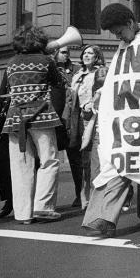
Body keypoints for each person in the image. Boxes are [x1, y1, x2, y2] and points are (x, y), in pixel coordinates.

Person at [81, 4, 140, 235]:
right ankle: (102, 217)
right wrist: (101, 93)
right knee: (119, 160)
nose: (118, 37)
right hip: (129, 113)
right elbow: (116, 75)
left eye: (119, 32)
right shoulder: (124, 46)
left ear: (131, 24)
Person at [0, 25, 65, 224]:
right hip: (42, 117)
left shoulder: (11, 63)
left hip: (15, 120)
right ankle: (43, 207)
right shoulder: (46, 61)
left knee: (20, 167)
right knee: (49, 161)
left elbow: (3, 92)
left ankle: (23, 214)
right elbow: (59, 85)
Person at [68, 45, 107, 208]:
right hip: (80, 120)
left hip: (97, 120)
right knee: (84, 160)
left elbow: (103, 91)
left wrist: (92, 103)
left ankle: (99, 196)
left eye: (90, 53)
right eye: (84, 53)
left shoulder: (102, 71)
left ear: (97, 56)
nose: (86, 55)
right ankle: (85, 198)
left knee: (97, 159)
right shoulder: (78, 74)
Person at [54, 46, 84, 206]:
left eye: (67, 52)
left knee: (76, 159)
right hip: (57, 118)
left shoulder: (77, 70)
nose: (67, 55)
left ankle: (81, 194)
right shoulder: (50, 69)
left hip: (72, 119)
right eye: (63, 52)